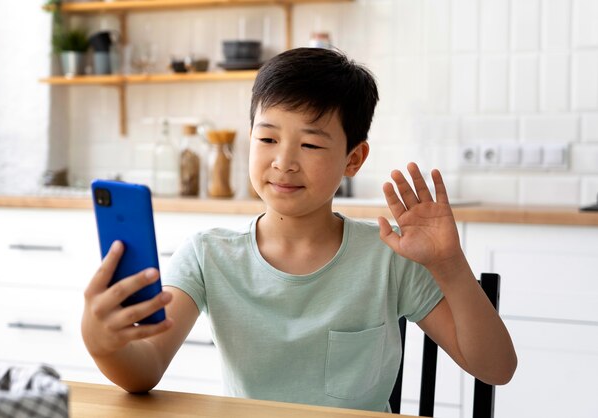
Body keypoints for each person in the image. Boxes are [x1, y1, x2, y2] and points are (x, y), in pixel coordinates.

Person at [81, 47, 517, 413]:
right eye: (267, 139)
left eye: (309, 144)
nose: (283, 162)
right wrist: (102, 343)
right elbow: (146, 369)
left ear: (353, 159)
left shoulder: (389, 256)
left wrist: (450, 266)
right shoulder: (207, 255)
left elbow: (496, 368)